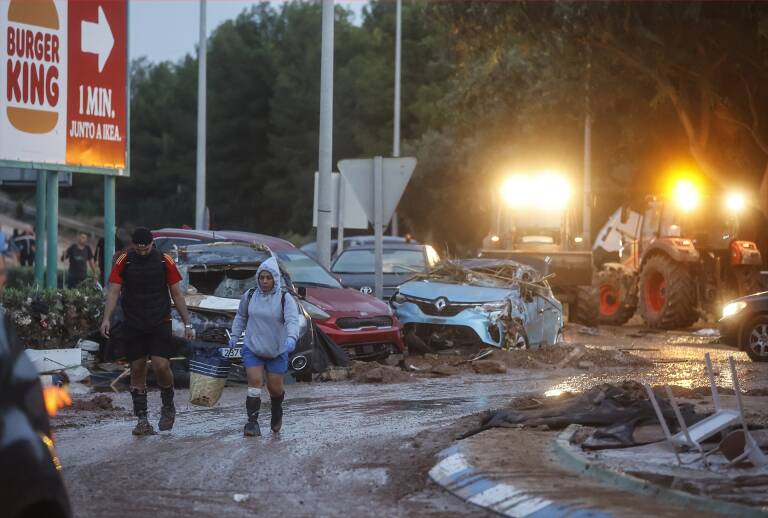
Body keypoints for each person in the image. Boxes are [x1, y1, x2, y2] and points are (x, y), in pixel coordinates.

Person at [100, 227, 195, 436]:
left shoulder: (164, 260)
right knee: (137, 367)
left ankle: (168, 404)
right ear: (134, 245)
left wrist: (187, 323)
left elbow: (177, 294)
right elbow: (114, 291)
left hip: (159, 320)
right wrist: (106, 319)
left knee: (161, 366)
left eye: (146, 248)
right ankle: (142, 419)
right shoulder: (123, 259)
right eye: (138, 249)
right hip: (133, 322)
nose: (142, 252)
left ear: (152, 244)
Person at [228, 256, 300, 437]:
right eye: (262, 277)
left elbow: (292, 320)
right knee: (254, 382)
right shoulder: (250, 295)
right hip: (253, 347)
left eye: (269, 278)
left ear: (275, 278)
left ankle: (277, 410)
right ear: (258, 278)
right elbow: (241, 317)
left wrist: (292, 337)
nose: (265, 281)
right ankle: (252, 423)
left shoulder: (285, 298)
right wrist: (235, 336)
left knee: (275, 388)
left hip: (277, 349)